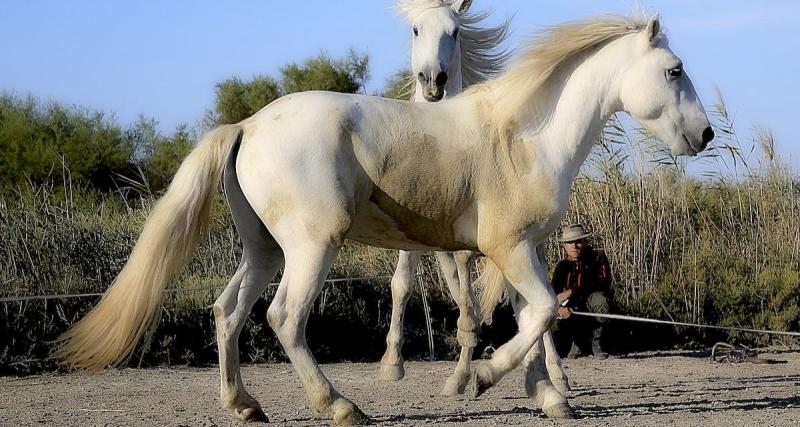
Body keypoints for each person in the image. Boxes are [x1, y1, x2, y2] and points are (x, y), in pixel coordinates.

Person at [551, 224, 613, 360]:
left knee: (600, 301)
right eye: (569, 242)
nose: (574, 246)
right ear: (564, 246)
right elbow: (553, 293)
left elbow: (603, 281)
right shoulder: (562, 267)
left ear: (585, 242)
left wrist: (572, 292)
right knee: (554, 315)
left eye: (578, 241)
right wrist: (560, 307)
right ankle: (577, 343)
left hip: (592, 301)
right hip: (573, 308)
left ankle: (598, 344)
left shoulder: (598, 257)